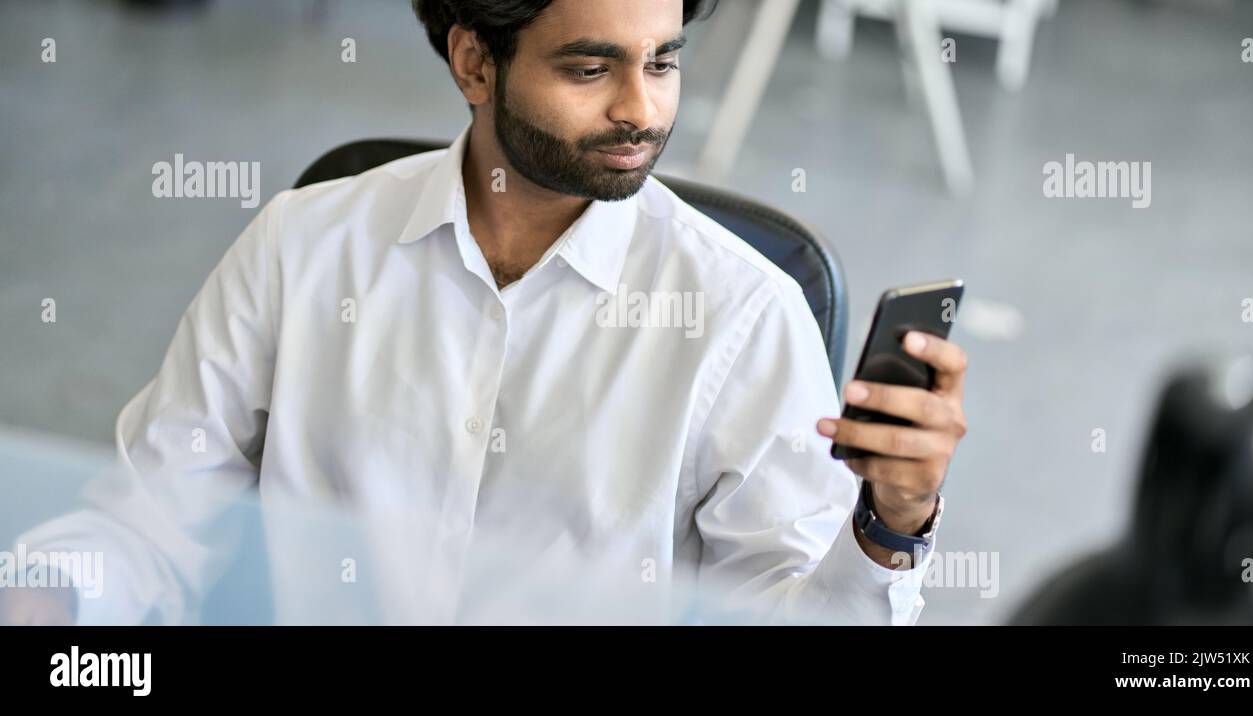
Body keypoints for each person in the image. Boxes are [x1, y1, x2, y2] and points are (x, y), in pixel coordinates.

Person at [3, 0, 969, 626]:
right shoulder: (305, 246)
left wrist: (892, 521)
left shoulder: (742, 315)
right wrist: (48, 600)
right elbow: (154, 519)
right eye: (591, 70)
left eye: (663, 61)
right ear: (473, 61)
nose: (643, 110)